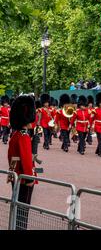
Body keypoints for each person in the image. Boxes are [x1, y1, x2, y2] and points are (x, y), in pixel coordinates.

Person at [7, 95, 37, 230]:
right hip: (24, 179)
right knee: (23, 210)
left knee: (18, 207)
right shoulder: (23, 136)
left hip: (16, 175)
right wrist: (30, 177)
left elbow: (12, 157)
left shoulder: (16, 135)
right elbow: (25, 158)